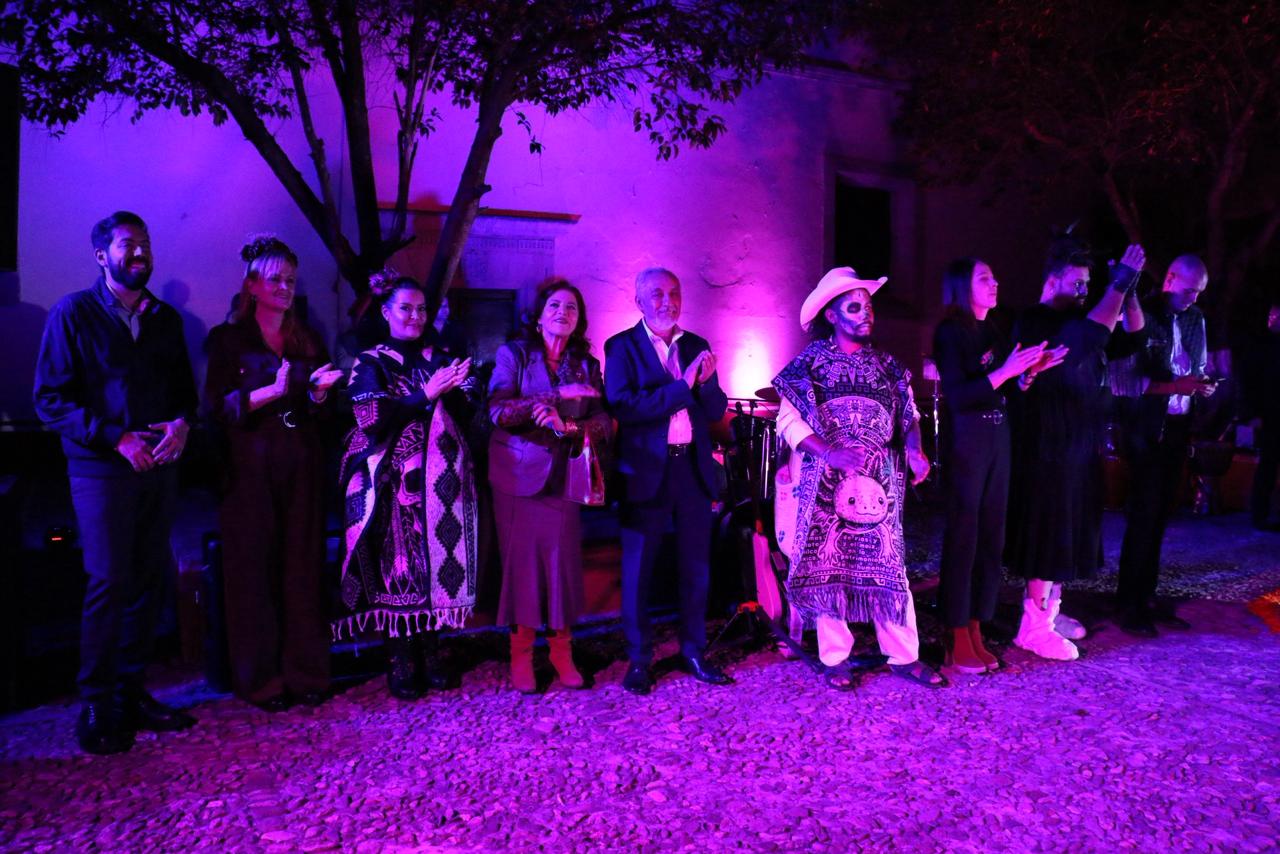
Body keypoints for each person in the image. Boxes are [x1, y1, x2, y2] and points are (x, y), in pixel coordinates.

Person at [34, 211, 198, 754]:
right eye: (129, 244)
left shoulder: (164, 319)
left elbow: (185, 396)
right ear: (102, 255)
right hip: (102, 470)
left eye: (145, 243)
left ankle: (131, 692)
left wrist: (182, 424)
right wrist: (115, 438)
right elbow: (49, 399)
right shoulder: (73, 313)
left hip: (159, 467)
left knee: (150, 580)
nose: (140, 252)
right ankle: (97, 702)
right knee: (109, 582)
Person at [772, 268, 942, 691]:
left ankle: (904, 656)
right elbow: (788, 422)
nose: (866, 314)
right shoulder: (810, 363)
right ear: (831, 315)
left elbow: (910, 416)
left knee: (889, 564)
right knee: (829, 563)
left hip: (881, 482)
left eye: (868, 307)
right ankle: (835, 658)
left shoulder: (887, 366)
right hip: (825, 481)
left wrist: (915, 451)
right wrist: (830, 452)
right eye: (854, 307)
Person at [204, 236, 342, 710]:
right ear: (252, 285)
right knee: (253, 573)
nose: (285, 287)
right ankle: (260, 679)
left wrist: (319, 395)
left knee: (302, 569)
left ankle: (306, 673)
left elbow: (324, 411)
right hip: (248, 472)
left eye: (291, 280)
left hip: (300, 466)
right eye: (275, 279)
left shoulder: (307, 339)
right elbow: (216, 409)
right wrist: (271, 392)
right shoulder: (228, 341)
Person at [335, 273, 478, 700]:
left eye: (421, 309)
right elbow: (372, 420)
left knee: (438, 562)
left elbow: (467, 412)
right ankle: (399, 659)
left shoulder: (442, 356)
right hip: (391, 485)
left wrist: (459, 389)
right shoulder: (371, 361)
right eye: (405, 308)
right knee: (398, 566)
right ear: (386, 312)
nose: (415, 316)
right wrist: (426, 394)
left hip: (442, 483)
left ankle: (432, 652)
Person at [1006, 235, 1146, 661]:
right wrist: (1117, 283)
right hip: (1048, 445)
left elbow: (1134, 338)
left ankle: (1049, 614)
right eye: (1077, 283)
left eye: (1088, 284)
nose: (1085, 291)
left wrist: (1130, 290)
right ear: (1052, 281)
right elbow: (1088, 337)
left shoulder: (1085, 318)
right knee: (1050, 531)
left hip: (1078, 443)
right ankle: (1033, 627)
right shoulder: (1034, 320)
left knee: (1069, 530)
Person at [932, 258, 1066, 674]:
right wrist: (1008, 371)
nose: (995, 283)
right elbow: (959, 395)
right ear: (962, 285)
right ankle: (955, 631)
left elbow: (1007, 386)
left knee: (993, 536)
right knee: (965, 534)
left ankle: (977, 625)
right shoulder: (950, 331)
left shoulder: (993, 330)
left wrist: (1027, 374)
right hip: (967, 439)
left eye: (994, 276)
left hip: (997, 436)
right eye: (984, 278)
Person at [604, 267, 733, 695]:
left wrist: (706, 383)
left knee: (696, 568)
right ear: (639, 301)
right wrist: (684, 384)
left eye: (674, 293)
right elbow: (625, 406)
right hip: (645, 473)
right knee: (638, 570)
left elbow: (714, 411)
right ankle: (640, 659)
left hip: (691, 471)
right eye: (657, 294)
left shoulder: (696, 345)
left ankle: (694, 651)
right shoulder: (621, 346)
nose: (667, 301)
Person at [488, 278, 612, 692]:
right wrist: (557, 396)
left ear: (579, 320)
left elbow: (603, 422)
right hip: (517, 476)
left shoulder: (587, 365)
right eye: (555, 305)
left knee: (562, 565)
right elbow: (499, 411)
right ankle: (521, 654)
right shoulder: (514, 355)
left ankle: (562, 652)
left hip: (564, 477)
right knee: (522, 567)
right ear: (539, 316)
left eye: (572, 307)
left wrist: (568, 425)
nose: (563, 312)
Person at [1108, 256, 1216, 635]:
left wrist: (1200, 384)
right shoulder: (1144, 313)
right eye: (1189, 290)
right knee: (1143, 514)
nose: (1193, 298)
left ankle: (1146, 595)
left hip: (1177, 425)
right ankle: (1129, 602)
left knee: (1162, 514)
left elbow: (1197, 365)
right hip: (1145, 427)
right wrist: (1175, 386)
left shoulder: (1195, 318)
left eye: (1198, 292)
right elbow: (1125, 382)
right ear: (1170, 279)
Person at [1245, 299, 1280, 531]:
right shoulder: (1261, 346)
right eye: (1271, 316)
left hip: (1272, 412)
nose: (1272, 320)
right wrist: (1253, 413)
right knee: (1267, 464)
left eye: (1276, 317)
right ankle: (1260, 514)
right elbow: (1251, 382)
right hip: (1270, 415)